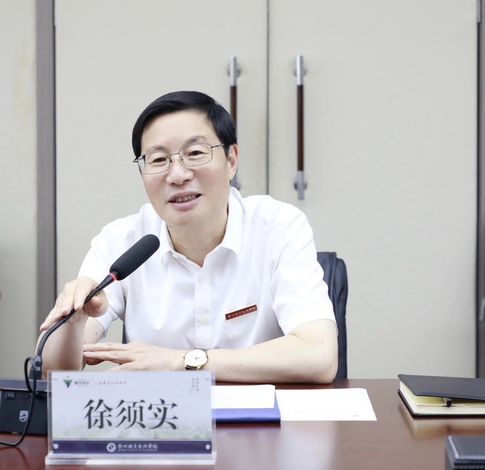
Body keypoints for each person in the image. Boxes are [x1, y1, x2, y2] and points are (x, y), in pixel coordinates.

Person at [39, 90, 338, 383]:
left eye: (195, 154)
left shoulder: (277, 228)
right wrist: (72, 324)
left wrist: (179, 362)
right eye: (158, 160)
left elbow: (319, 355)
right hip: (160, 415)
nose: (177, 175)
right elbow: (53, 373)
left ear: (231, 160)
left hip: (262, 415)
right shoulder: (121, 243)